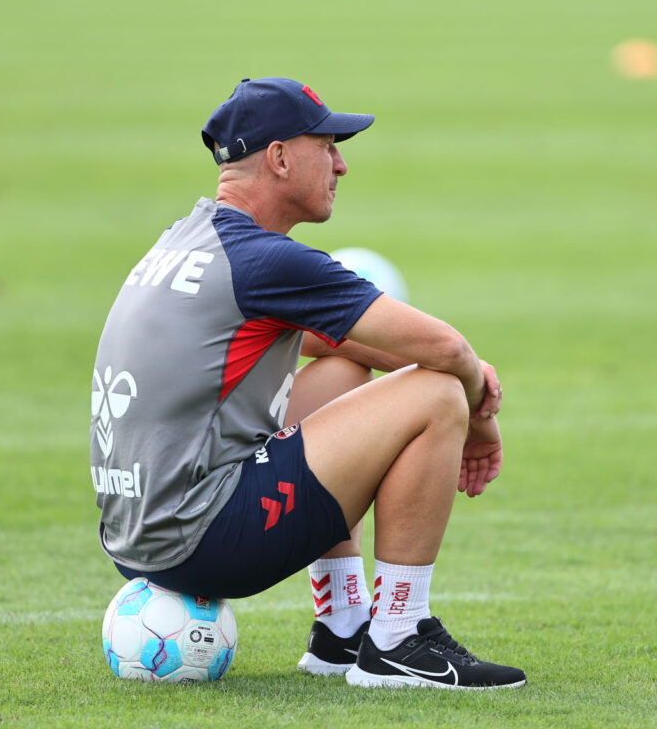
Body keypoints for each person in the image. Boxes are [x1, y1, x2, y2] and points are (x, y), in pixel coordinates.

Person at [89, 77, 526, 690]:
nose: (342, 164)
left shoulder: (184, 239)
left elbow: (334, 343)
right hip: (201, 539)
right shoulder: (265, 259)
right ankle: (400, 638)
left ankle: (343, 626)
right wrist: (479, 413)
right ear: (279, 157)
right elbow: (445, 348)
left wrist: (459, 375)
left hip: (137, 534)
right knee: (436, 394)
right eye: (329, 144)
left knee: (348, 373)